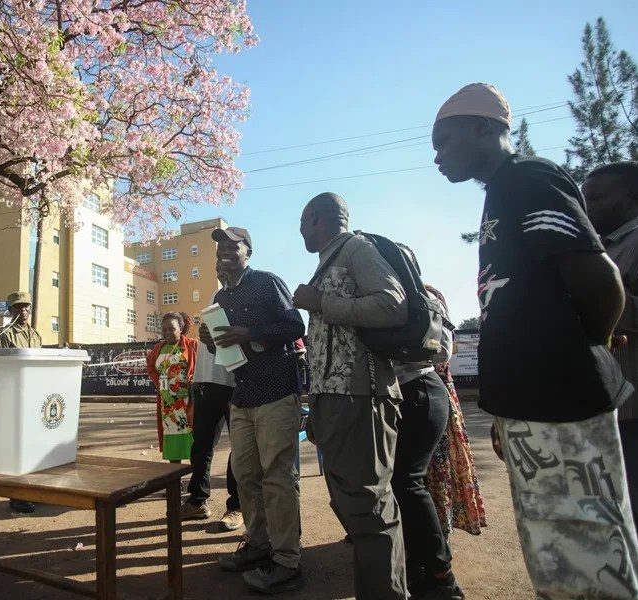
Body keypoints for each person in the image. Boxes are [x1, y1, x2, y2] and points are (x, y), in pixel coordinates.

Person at [432, 82, 638, 599]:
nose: (437, 156)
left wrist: (576, 352)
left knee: (586, 558)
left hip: (562, 401)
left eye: (445, 139)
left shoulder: (528, 178)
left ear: (485, 127)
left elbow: (602, 284)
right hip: (533, 405)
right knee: (554, 553)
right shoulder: (499, 193)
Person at [292, 192, 408, 600]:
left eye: (302, 222)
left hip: (362, 396)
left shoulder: (357, 249)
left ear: (316, 218)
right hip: (334, 400)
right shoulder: (329, 258)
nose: (300, 231)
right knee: (353, 508)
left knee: (370, 509)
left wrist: (319, 301)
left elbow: (393, 305)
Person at [198, 226, 306, 594]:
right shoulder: (218, 296)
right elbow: (225, 351)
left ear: (248, 251)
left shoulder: (266, 282)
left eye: (233, 246)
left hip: (277, 391)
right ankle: (259, 546)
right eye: (220, 248)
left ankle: (287, 561)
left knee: (277, 477)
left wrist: (249, 331)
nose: (225, 252)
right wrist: (211, 341)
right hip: (242, 395)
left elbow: (295, 324)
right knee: (245, 476)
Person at [390, 248, 464, 600]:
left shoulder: (425, 296)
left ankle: (441, 575)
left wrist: (398, 346)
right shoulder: (387, 296)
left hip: (422, 392)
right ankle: (420, 565)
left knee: (410, 481)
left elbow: (443, 351)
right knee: (406, 481)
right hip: (404, 397)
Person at [583, 161, 638, 527]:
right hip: (607, 409)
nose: (587, 208)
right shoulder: (602, 249)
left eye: (598, 198)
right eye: (584, 199)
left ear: (633, 199)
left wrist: (598, 290)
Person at [423, 285, 487, 539]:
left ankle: (439, 534)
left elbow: (439, 351)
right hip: (437, 391)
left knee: (438, 465)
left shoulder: (426, 296)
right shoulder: (429, 293)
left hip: (432, 391)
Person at [182, 265, 243, 530]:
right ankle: (198, 501)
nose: (221, 268)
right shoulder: (214, 298)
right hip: (205, 383)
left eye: (228, 260)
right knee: (201, 447)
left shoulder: (245, 299)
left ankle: (237, 507)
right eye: (218, 263)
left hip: (232, 384)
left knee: (239, 449)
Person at [0, 291, 43, 513]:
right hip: (15, 397)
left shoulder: (36, 335)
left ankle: (32, 490)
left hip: (35, 397)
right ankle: (17, 495)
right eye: (17, 307)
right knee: (17, 448)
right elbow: (3, 369)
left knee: (34, 446)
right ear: (10, 311)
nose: (23, 311)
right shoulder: (5, 336)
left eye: (26, 307)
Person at [146, 311, 198, 462]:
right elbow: (150, 366)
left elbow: (202, 364)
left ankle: (196, 479)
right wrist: (158, 384)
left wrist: (193, 381)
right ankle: (175, 481)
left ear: (180, 329)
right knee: (172, 442)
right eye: (164, 329)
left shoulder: (191, 345)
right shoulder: (158, 348)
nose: (167, 333)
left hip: (188, 403)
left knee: (193, 441)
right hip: (168, 406)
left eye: (172, 329)